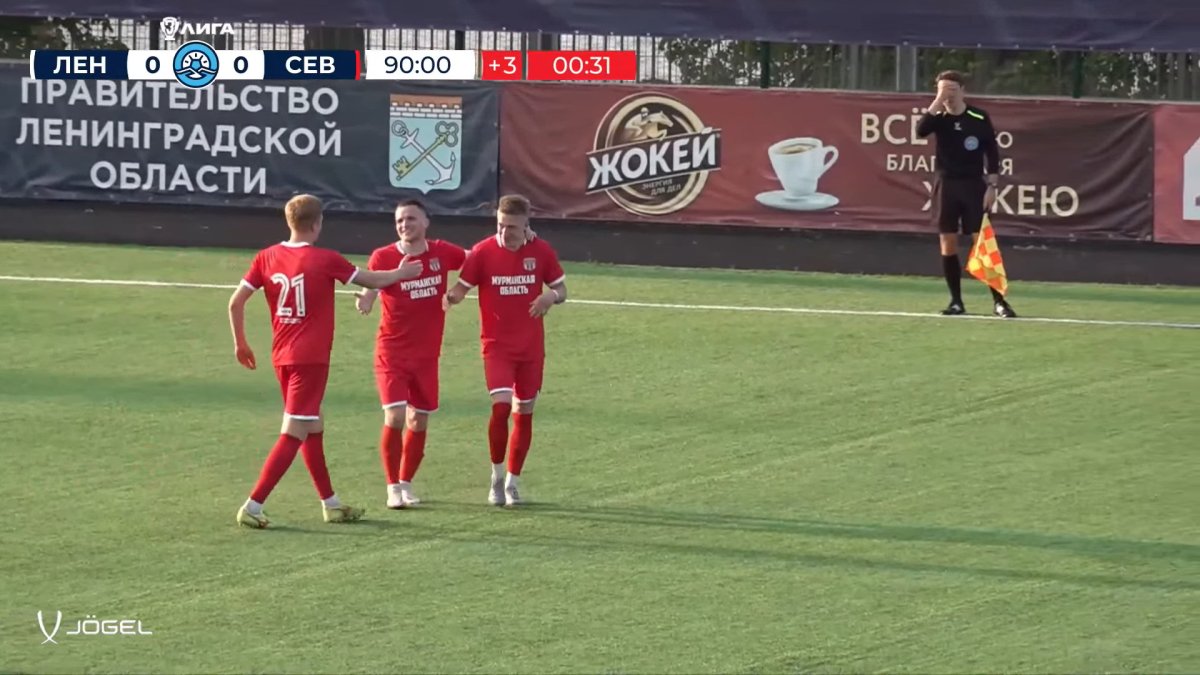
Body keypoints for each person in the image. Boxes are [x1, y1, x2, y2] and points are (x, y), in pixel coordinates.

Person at [228, 194, 424, 529]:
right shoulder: (325, 259)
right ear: (318, 224)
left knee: (313, 425)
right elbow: (372, 280)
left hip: (283, 357)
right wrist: (402, 273)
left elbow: (235, 302)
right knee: (295, 430)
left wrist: (240, 344)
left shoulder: (266, 256)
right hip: (310, 360)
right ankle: (254, 504)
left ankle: (331, 504)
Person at [444, 194, 567, 507]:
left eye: (511, 226)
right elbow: (461, 289)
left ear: (526, 225)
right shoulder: (483, 252)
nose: (504, 231)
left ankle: (513, 482)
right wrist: (447, 298)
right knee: (500, 408)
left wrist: (550, 297)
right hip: (496, 346)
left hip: (531, 348)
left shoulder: (541, 251)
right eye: (500, 225)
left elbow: (561, 289)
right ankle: (496, 476)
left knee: (524, 412)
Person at [354, 199, 467, 510]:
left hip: (427, 356)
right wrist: (367, 298)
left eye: (411, 219)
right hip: (392, 352)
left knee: (418, 420)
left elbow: (477, 259)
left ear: (426, 222)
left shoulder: (442, 252)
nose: (404, 225)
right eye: (400, 221)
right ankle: (392, 487)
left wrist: (459, 289)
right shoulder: (384, 256)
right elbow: (373, 282)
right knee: (395, 416)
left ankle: (406, 482)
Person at [916, 70, 1017, 319]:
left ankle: (999, 302)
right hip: (946, 186)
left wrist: (992, 186)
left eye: (951, 89)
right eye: (942, 89)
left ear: (963, 90)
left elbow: (991, 152)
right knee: (948, 242)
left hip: (973, 186)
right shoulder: (938, 118)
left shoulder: (978, 117)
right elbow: (921, 130)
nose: (947, 95)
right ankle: (956, 302)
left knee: (982, 243)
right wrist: (938, 100)